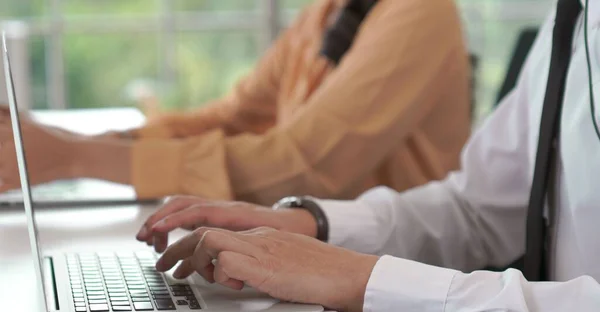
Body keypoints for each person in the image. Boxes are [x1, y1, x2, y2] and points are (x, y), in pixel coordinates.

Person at [135, 0, 600, 312]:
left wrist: (363, 280)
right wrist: (308, 223)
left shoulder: (419, 13)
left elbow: (302, 158)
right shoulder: (574, 18)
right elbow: (477, 210)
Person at [0, 0, 470, 205]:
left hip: (387, 277)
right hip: (318, 243)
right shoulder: (327, 13)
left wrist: (76, 158)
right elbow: (232, 118)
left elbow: (304, 165)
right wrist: (63, 144)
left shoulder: (419, 11)